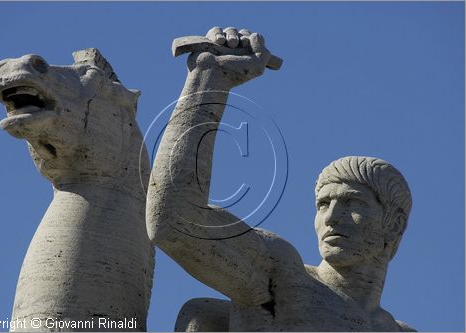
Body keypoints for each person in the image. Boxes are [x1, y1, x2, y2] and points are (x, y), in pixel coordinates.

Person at [146, 27, 414, 331]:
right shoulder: (281, 276)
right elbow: (174, 222)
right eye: (323, 204)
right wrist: (210, 78)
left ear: (393, 224)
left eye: (353, 202)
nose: (332, 218)